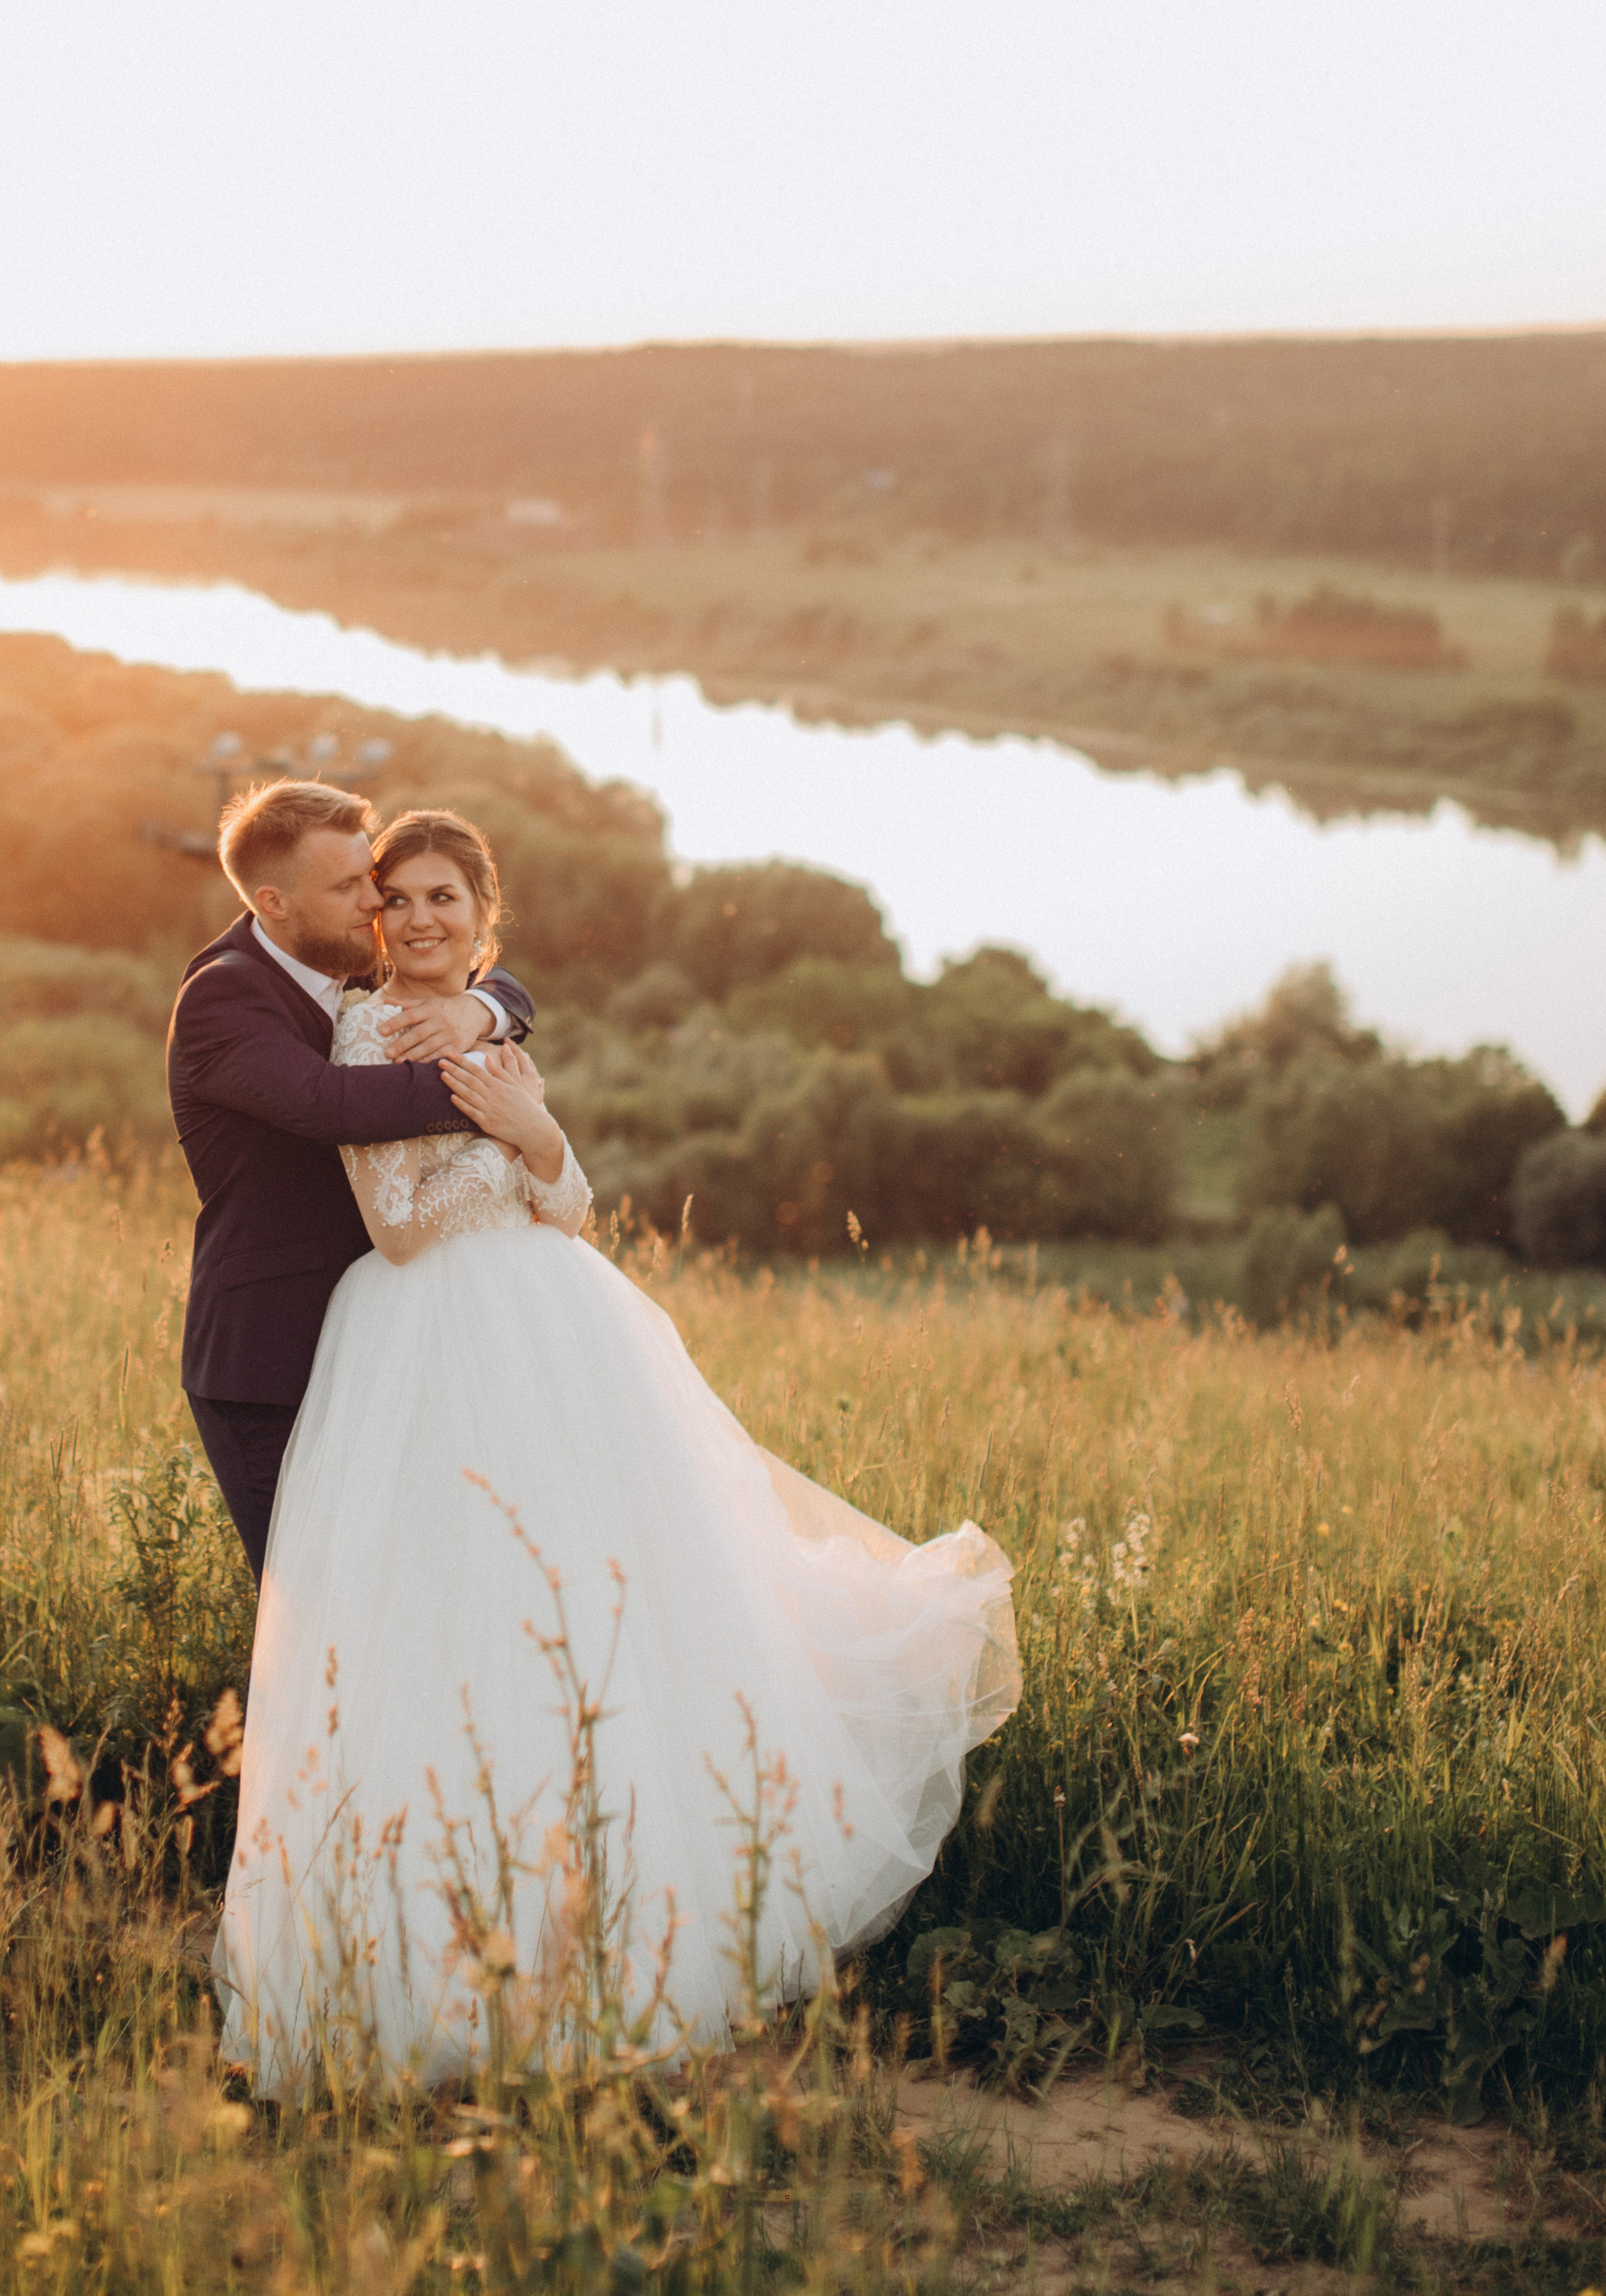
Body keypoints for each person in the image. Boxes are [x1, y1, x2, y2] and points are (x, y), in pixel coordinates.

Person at [214, 807, 1021, 2097]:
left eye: (445, 900)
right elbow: (404, 1228)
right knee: (457, 1628)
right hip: (429, 1347)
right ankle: (444, 1953)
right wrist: (500, 1128)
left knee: (611, 1604)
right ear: (375, 917)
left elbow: (572, 1207)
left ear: (485, 918)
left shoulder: (489, 1019)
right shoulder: (369, 1029)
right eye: (400, 901)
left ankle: (624, 1921)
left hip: (563, 1336)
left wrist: (530, 1133)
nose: (421, 921)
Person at [166, 779, 538, 1581]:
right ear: (273, 901)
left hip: (374, 1345)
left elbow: (486, 971)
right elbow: (329, 1104)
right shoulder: (223, 996)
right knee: (313, 1603)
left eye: (369, 877)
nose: (375, 903)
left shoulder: (339, 966)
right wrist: (494, 1099)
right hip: (267, 1364)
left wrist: (488, 1012)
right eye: (349, 887)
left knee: (402, 1584)